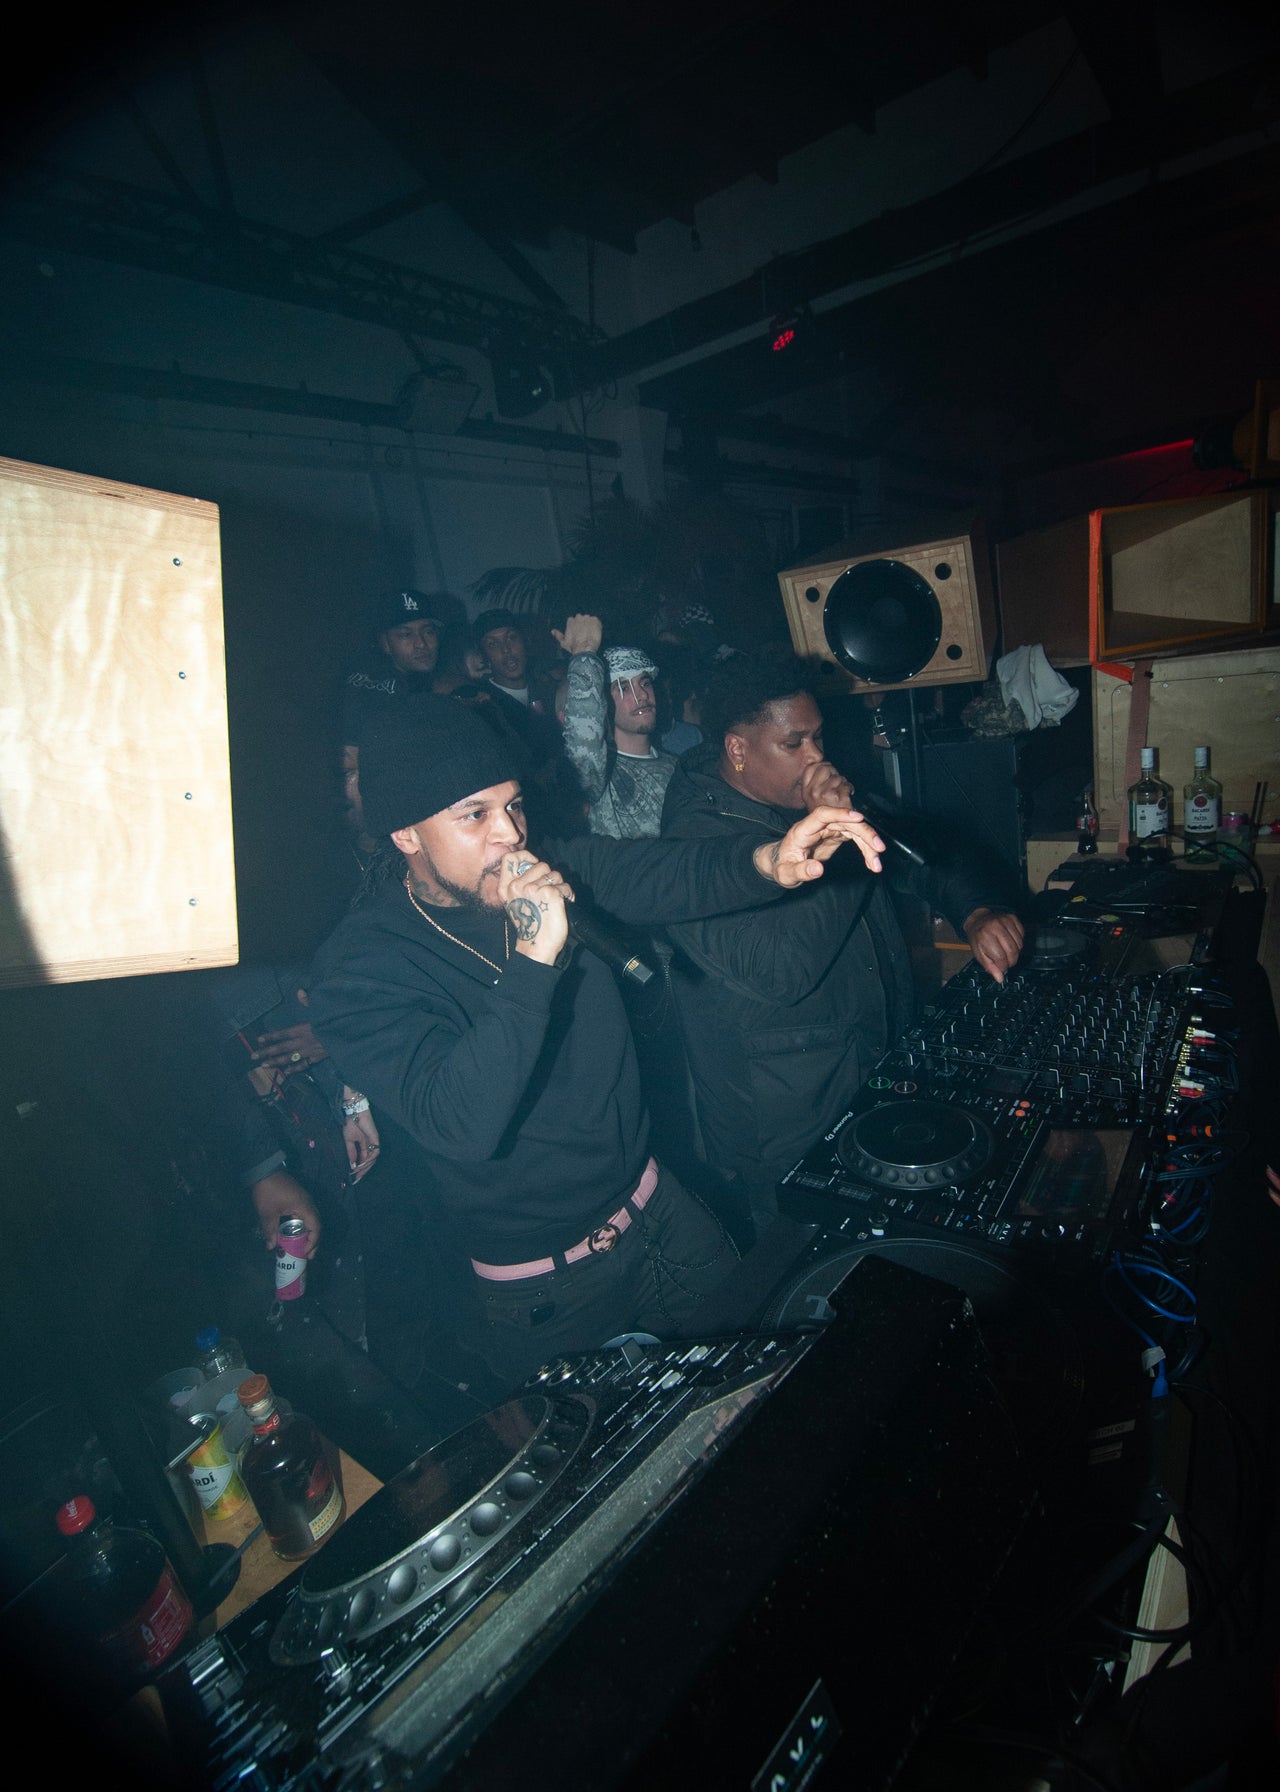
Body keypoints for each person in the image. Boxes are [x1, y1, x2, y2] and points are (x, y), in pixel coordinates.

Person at [306, 695, 884, 1390]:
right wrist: (533, 961)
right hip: (549, 1290)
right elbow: (460, 1123)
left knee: (756, 1388)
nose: (509, 834)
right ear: (405, 833)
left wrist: (769, 861)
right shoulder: (360, 970)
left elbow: (662, 872)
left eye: (513, 805)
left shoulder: (552, 868)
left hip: (661, 1210)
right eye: (474, 815)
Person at [660, 648, 1024, 1234]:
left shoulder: (797, 797)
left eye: (818, 737)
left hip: (863, 1069)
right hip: (783, 1118)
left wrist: (976, 910)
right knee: (814, 1265)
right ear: (737, 749)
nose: (817, 757)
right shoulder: (693, 847)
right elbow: (782, 968)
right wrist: (833, 832)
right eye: (794, 743)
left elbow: (922, 852)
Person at [554, 615, 677, 839]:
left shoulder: (676, 767)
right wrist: (584, 654)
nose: (641, 695)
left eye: (645, 683)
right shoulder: (600, 775)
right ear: (603, 701)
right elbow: (583, 750)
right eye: (623, 687)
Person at [340, 589, 445, 757]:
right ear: (385, 643)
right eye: (406, 634)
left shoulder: (434, 681)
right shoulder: (369, 693)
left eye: (428, 632)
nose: (421, 643)